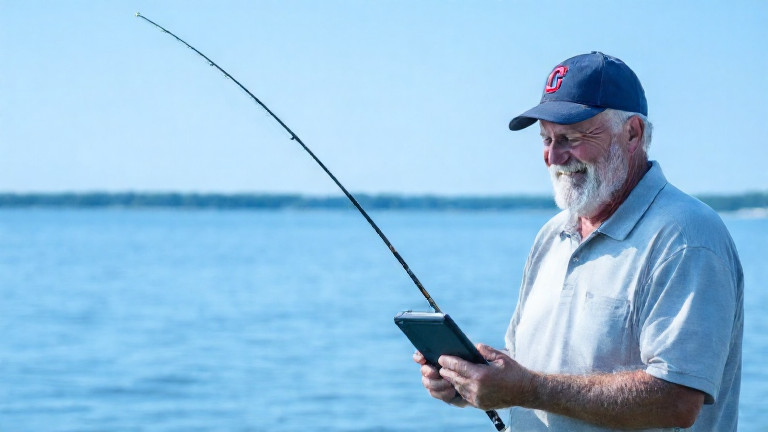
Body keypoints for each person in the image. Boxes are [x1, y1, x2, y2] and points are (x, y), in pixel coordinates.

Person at [414, 52, 743, 431]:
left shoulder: (686, 237)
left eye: (570, 137)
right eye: (546, 138)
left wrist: (526, 389)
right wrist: (472, 382)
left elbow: (677, 401)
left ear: (632, 133)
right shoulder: (552, 234)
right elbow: (528, 372)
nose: (553, 156)